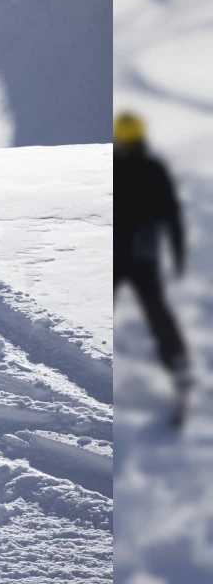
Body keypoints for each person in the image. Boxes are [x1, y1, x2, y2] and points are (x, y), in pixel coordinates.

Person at [114, 111, 191, 421]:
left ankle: (179, 368)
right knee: (157, 312)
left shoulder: (125, 167)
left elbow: (171, 214)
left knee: (154, 312)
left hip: (130, 254)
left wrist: (179, 253)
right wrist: (178, 253)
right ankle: (179, 365)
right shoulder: (152, 168)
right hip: (140, 254)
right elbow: (172, 215)